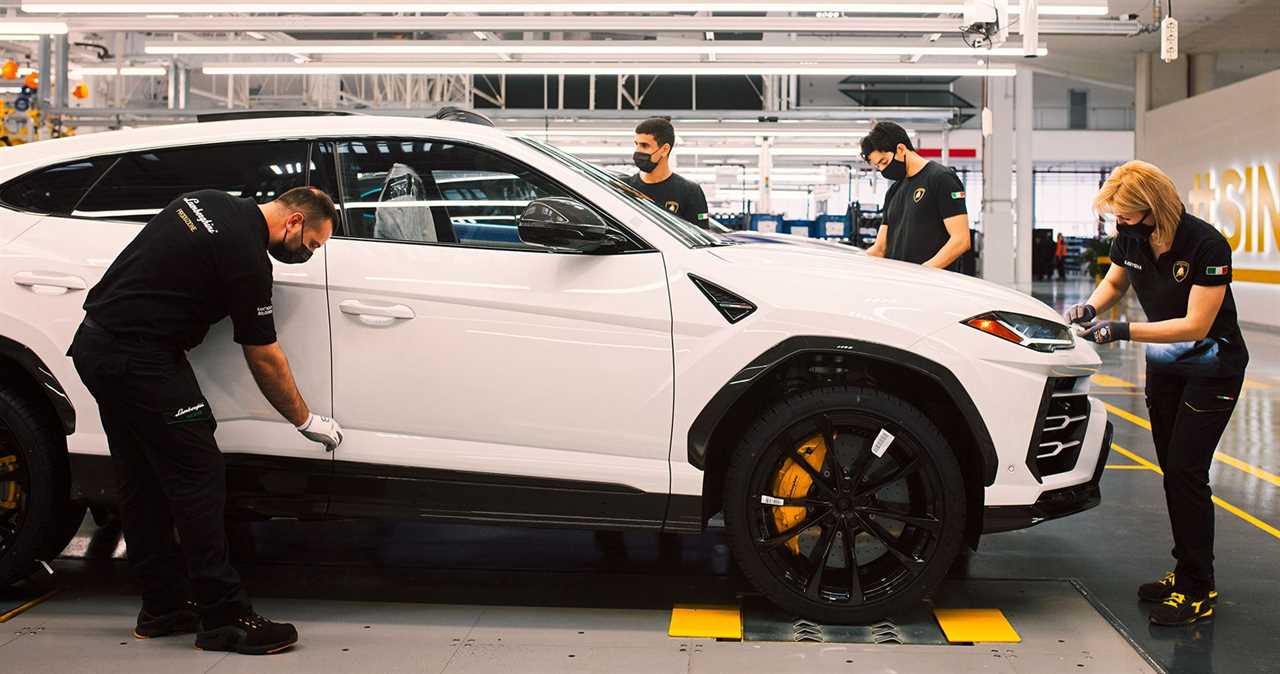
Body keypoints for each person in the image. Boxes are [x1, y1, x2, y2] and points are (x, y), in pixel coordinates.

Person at [68, 186, 345, 654]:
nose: (307, 256)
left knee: (141, 479)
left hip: (96, 347)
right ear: (294, 221)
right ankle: (223, 617)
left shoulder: (208, 200)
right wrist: (304, 419)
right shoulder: (247, 258)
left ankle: (162, 608)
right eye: (311, 245)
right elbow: (264, 356)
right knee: (200, 474)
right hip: (141, 358)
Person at [1066, 160, 1247, 626]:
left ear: (1154, 208)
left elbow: (1196, 325)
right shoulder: (1131, 235)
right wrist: (1090, 305)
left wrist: (1121, 330)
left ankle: (1197, 588)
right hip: (1166, 368)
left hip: (1213, 369)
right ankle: (1184, 569)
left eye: (1125, 215)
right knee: (1173, 472)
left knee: (1187, 471)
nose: (1119, 224)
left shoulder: (1206, 243)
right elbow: (1115, 280)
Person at [861, 121, 971, 270]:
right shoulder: (894, 190)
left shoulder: (941, 178)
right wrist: (851, 264)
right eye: (878, 166)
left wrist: (922, 273)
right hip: (902, 283)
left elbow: (961, 239)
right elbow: (880, 248)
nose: (883, 170)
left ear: (900, 149)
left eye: (884, 162)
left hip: (931, 285)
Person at [625, 116, 710, 227]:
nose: (637, 151)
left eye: (644, 145)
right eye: (636, 144)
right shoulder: (625, 188)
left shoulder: (690, 191)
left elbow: (701, 236)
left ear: (664, 149)